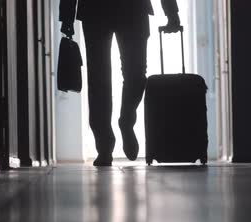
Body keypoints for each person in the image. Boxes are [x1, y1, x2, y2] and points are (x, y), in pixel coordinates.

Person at [60, 0, 182, 166]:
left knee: (132, 75)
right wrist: (66, 16)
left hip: (113, 9)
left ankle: (126, 121)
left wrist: (171, 11)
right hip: (109, 9)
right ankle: (104, 146)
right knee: (101, 78)